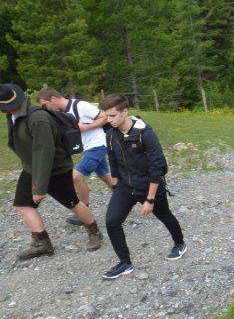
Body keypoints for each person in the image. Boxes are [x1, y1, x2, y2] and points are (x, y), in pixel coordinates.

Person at [1, 83, 103, 260]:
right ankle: (43, 243)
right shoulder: (12, 116)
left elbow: (44, 152)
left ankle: (94, 232)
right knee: (23, 205)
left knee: (72, 203)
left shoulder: (38, 118)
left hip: (56, 169)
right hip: (32, 167)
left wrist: (40, 187)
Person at [100, 93, 186, 279]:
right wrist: (115, 184)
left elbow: (156, 168)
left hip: (149, 187)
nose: (109, 120)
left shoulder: (145, 134)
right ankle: (125, 263)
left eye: (113, 115)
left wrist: (150, 200)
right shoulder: (110, 135)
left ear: (125, 111)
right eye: (107, 116)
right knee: (112, 221)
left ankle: (179, 243)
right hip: (126, 186)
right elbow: (113, 160)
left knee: (165, 215)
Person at [37, 87, 116, 226]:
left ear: (53, 99)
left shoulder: (80, 105)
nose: (45, 109)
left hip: (98, 145)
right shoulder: (62, 113)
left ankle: (83, 211)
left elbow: (105, 117)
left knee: (76, 176)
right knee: (105, 176)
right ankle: (127, 198)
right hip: (89, 147)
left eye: (45, 105)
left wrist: (86, 127)